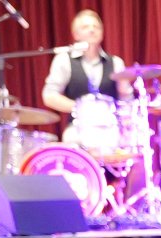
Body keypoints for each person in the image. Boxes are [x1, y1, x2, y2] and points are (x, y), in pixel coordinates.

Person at [42, 10, 136, 143]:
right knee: (72, 138)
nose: (92, 30)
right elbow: (49, 96)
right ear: (76, 34)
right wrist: (82, 108)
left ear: (102, 33)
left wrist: (127, 125)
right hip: (77, 129)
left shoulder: (116, 62)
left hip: (110, 129)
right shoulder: (64, 60)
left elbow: (126, 98)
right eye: (85, 27)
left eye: (96, 27)